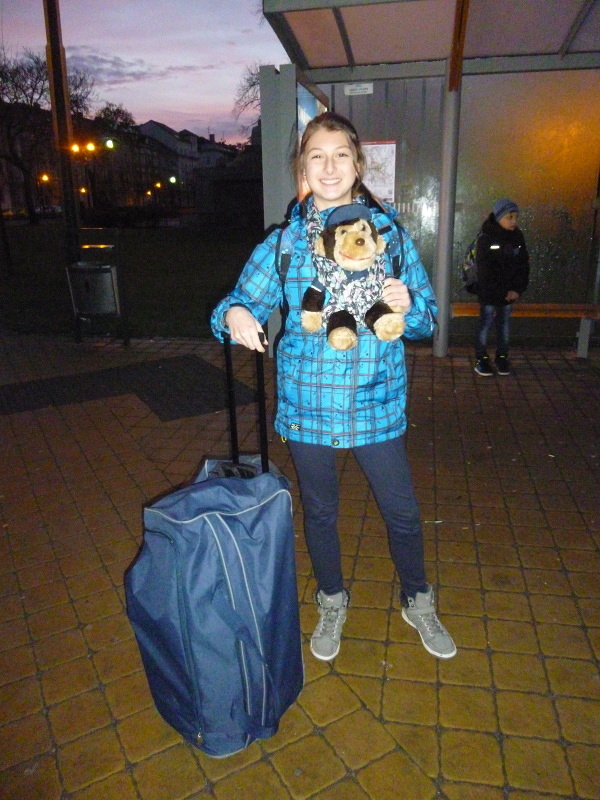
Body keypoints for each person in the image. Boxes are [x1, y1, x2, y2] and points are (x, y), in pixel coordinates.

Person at [211, 111, 456, 662]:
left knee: (402, 512)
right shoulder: (285, 244)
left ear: (357, 164)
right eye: (316, 156)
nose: (329, 166)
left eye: (340, 154)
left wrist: (410, 306)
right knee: (320, 511)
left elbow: (428, 321)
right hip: (308, 405)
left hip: (377, 403)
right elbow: (236, 303)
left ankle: (417, 598)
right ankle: (332, 599)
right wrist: (234, 316)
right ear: (302, 167)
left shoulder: (390, 237)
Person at [473, 198, 530, 376]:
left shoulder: (517, 237)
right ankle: (481, 359)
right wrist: (502, 292)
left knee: (504, 325)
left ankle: (502, 357)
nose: (514, 221)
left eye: (516, 217)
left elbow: (523, 265)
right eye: (509, 217)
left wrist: (517, 290)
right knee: (485, 324)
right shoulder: (486, 238)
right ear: (498, 217)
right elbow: (485, 271)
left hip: (509, 294)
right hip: (489, 294)